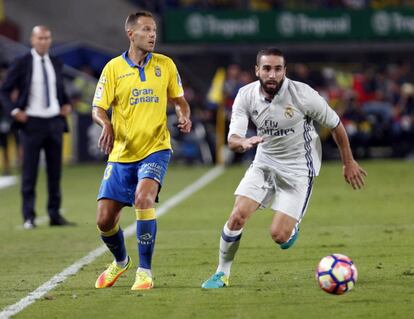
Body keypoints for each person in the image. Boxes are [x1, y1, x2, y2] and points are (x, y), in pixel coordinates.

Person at [201, 48, 367, 289]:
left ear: (284, 71)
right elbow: (233, 139)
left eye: (277, 69)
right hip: (264, 163)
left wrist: (348, 161)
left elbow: (336, 125)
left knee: (279, 236)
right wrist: (243, 143)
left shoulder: (303, 95)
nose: (272, 74)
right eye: (266, 68)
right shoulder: (245, 95)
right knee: (237, 216)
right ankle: (222, 273)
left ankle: (292, 225)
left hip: (299, 169)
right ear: (257, 70)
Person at [92, 11, 191, 291]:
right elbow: (97, 107)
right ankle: (121, 261)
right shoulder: (113, 69)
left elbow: (180, 100)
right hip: (122, 153)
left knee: (143, 199)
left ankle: (145, 271)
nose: (152, 35)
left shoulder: (166, 65)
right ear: (131, 34)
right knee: (104, 220)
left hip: (156, 148)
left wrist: (183, 114)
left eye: (154, 30)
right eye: (146, 30)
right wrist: (106, 123)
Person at [0, 26, 73, 229]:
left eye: (47, 38)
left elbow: (59, 90)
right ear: (32, 40)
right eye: (40, 38)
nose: (43, 41)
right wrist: (15, 111)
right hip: (31, 123)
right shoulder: (22, 63)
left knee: (55, 173)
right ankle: (29, 217)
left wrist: (66, 104)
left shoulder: (56, 63)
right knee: (29, 173)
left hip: (54, 122)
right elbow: (4, 91)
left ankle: (54, 214)